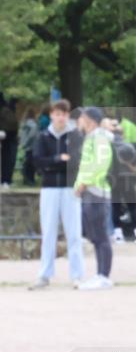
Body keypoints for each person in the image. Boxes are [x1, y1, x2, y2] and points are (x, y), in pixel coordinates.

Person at [28, 100, 84, 290]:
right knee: (48, 232)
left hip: (70, 187)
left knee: (74, 233)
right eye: (57, 114)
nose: (61, 117)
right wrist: (57, 160)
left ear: (68, 116)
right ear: (51, 115)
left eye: (64, 114)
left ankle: (77, 275)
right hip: (49, 188)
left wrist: (54, 163)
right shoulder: (43, 136)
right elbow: (38, 161)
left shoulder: (75, 135)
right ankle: (44, 275)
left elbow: (77, 160)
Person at [74, 107, 114, 290]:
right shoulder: (91, 138)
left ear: (90, 120)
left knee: (101, 236)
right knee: (96, 237)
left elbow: (101, 163)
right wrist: (79, 185)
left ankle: (104, 276)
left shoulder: (99, 138)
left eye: (82, 117)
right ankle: (100, 274)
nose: (79, 120)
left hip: (97, 191)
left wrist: (85, 183)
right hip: (90, 191)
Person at [19, 107, 39, 187]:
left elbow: (24, 134)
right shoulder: (33, 123)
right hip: (32, 146)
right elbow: (33, 133)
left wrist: (24, 143)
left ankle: (27, 179)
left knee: (28, 163)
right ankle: (30, 179)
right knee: (31, 164)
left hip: (28, 146)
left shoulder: (25, 123)